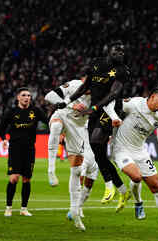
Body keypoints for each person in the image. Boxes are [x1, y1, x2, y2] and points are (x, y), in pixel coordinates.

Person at [56, 40, 131, 211]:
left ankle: (109, 185)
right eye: (117, 50)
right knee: (99, 153)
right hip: (95, 111)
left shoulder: (123, 71)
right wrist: (66, 101)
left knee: (97, 143)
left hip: (111, 108)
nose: (120, 53)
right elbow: (84, 87)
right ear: (109, 51)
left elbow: (114, 93)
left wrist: (94, 107)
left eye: (122, 51)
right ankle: (122, 189)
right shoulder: (96, 64)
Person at [110, 87, 158, 240]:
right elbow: (111, 104)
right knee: (136, 177)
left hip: (140, 151)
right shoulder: (134, 103)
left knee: (156, 186)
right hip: (121, 149)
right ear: (153, 96)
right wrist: (112, 120)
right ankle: (138, 202)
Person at [45, 78, 99, 231]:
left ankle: (75, 212)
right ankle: (51, 170)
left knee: (76, 171)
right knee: (55, 127)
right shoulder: (74, 85)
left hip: (78, 129)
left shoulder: (98, 95)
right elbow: (49, 96)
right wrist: (73, 104)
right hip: (61, 115)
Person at [0, 87, 49, 217]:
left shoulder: (36, 111)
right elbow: (1, 127)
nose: (27, 97)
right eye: (24, 95)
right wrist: (4, 139)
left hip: (30, 149)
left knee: (26, 179)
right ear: (18, 98)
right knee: (14, 178)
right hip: (15, 148)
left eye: (29, 95)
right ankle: (8, 207)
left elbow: (48, 121)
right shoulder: (11, 112)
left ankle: (24, 208)